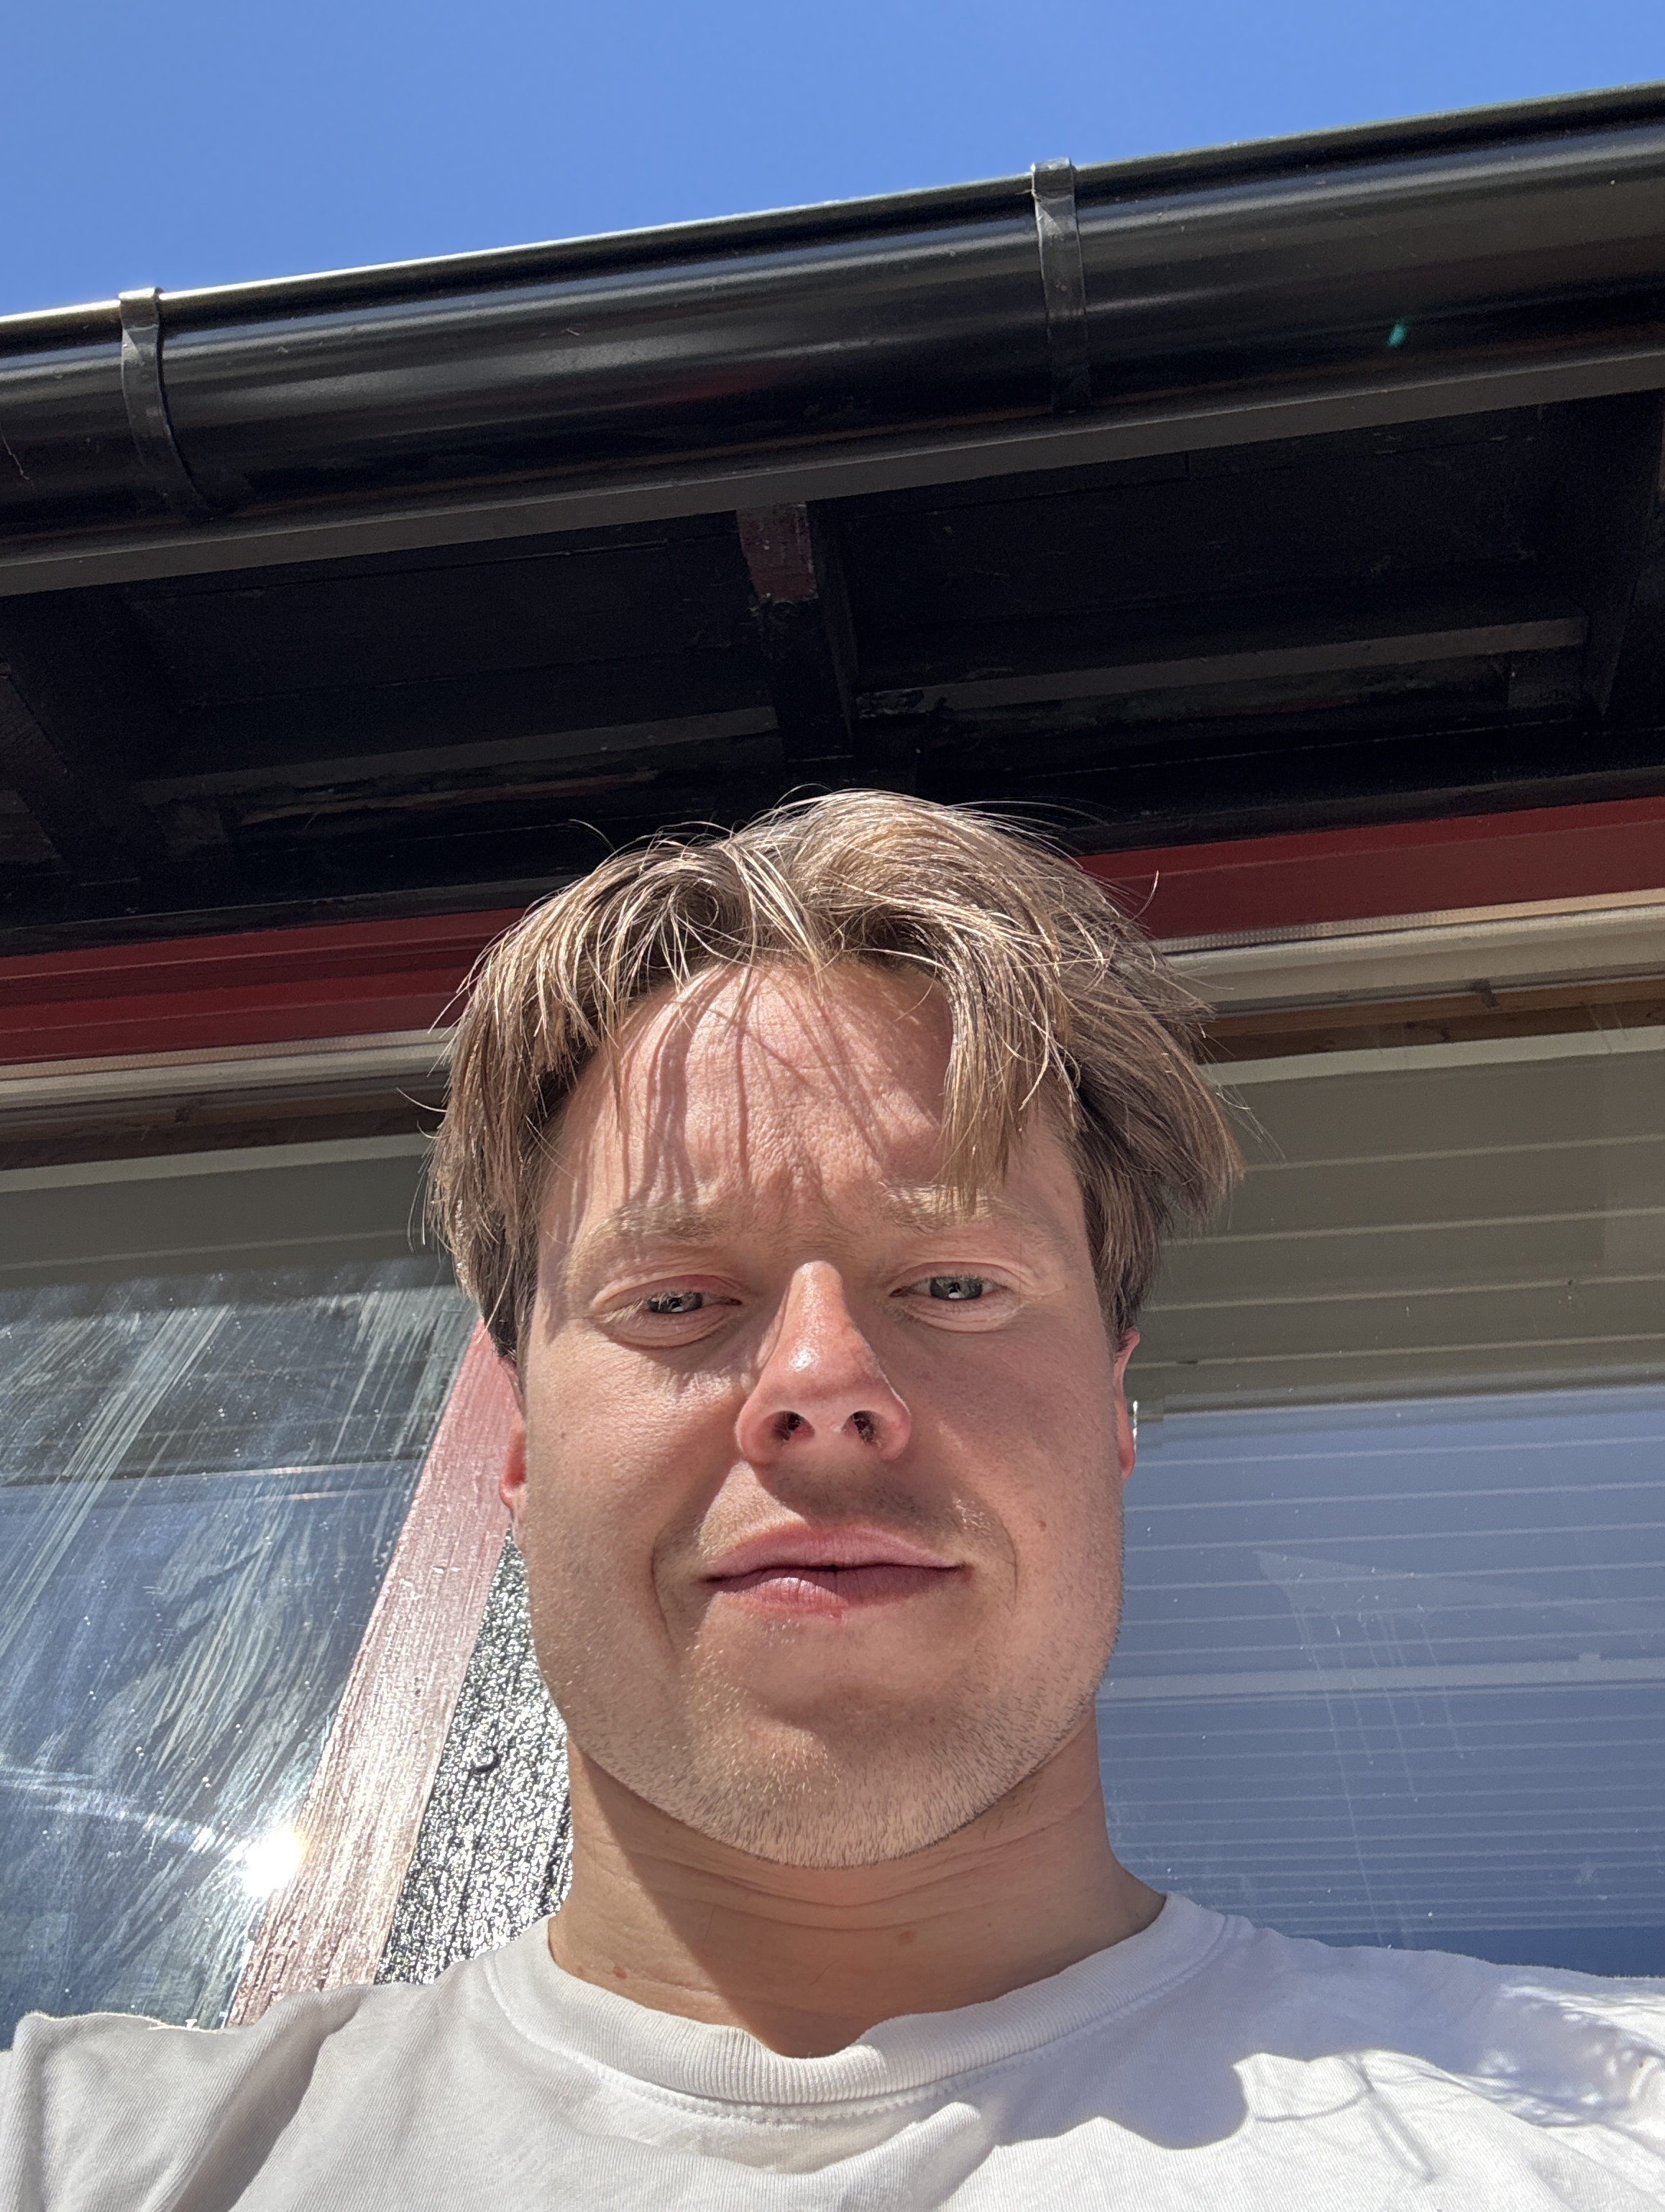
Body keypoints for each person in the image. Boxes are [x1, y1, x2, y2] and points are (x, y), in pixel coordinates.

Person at [3, 791, 1662, 2209]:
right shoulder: (84, 2152)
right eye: (675, 1299)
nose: (820, 1378)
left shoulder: (1598, 2128)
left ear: (1112, 1408)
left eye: (953, 1282)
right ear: (517, 1445)